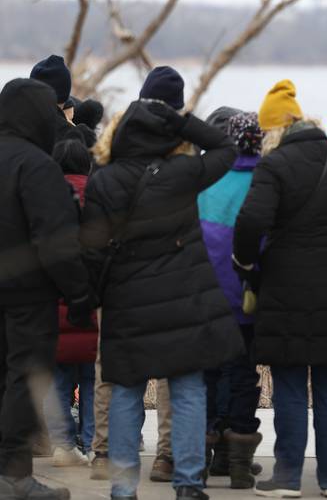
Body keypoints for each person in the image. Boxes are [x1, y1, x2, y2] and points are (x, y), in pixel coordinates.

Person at [79, 66, 244, 500]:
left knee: (126, 394)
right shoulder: (184, 173)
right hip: (183, 297)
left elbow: (91, 249)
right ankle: (188, 484)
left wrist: (90, 299)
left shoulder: (105, 179)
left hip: (126, 299)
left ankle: (122, 487)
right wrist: (179, 120)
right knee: (188, 390)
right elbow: (226, 146)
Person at [233, 80, 327, 498]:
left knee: (291, 388)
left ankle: (289, 477)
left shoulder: (274, 167)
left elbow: (250, 223)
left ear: (274, 130)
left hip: (287, 290)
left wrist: (245, 263)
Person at [0, 77, 94, 500]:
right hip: (27, 296)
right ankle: (14, 475)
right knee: (24, 378)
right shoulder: (36, 166)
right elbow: (55, 241)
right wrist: (79, 295)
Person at [198, 108, 265, 489]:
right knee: (243, 377)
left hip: (208, 297)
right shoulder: (264, 181)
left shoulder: (207, 181)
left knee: (206, 377)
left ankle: (202, 458)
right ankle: (238, 463)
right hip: (247, 297)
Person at [43, 139, 98, 468]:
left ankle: (62, 444)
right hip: (92, 299)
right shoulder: (98, 195)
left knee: (59, 376)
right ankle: (93, 442)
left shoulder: (45, 195)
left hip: (53, 299)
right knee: (92, 377)